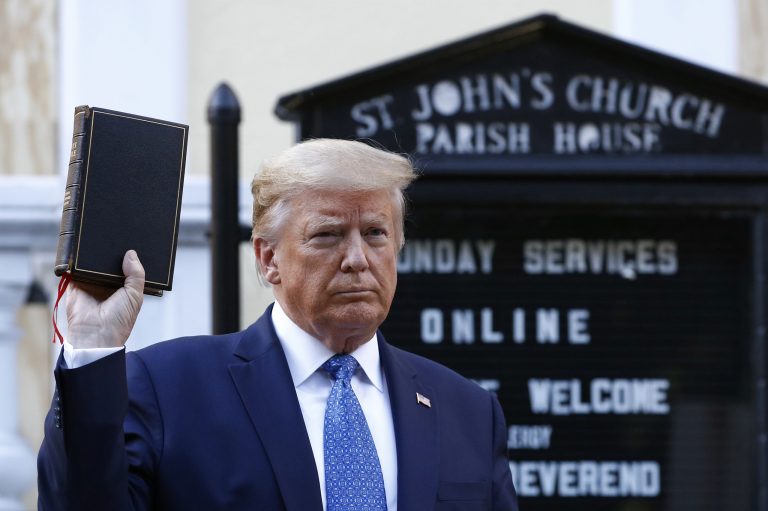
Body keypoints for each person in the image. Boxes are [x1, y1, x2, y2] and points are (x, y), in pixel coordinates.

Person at [38, 139, 518, 510]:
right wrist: (94, 347)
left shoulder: (468, 411)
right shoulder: (168, 390)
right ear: (269, 259)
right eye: (327, 235)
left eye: (375, 233)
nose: (357, 259)